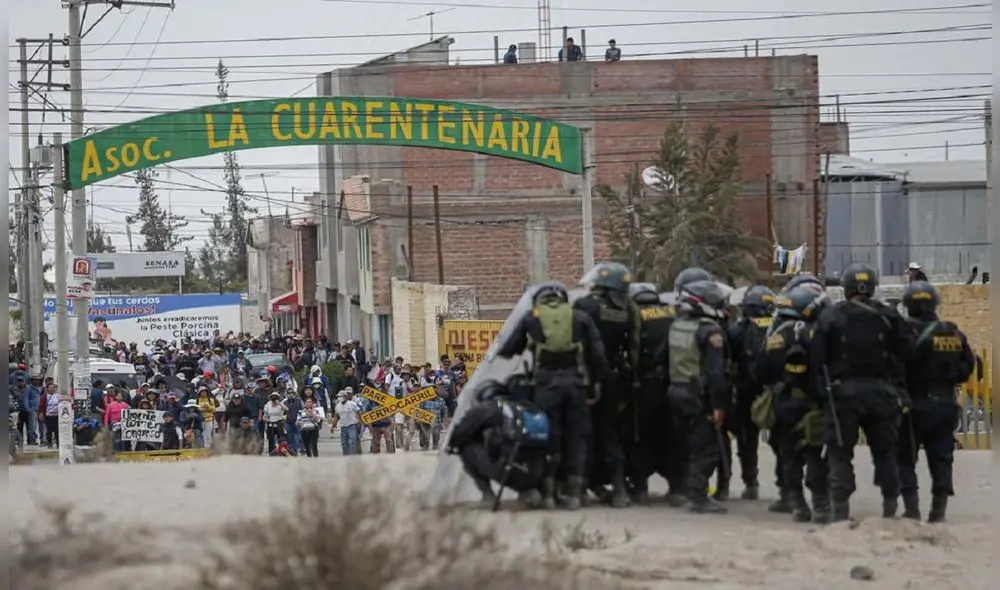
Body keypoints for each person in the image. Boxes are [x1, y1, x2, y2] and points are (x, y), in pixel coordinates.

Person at [809, 262, 913, 522]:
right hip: (881, 391)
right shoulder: (889, 316)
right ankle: (890, 507)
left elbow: (816, 359)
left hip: (843, 394)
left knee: (840, 452)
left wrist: (823, 392)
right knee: (885, 450)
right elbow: (906, 352)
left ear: (846, 288)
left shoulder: (831, 316)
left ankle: (840, 510)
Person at [495, 282, 610, 510]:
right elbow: (597, 355)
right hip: (576, 384)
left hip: (545, 387)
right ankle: (574, 495)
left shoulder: (531, 317)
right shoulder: (580, 316)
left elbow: (508, 350)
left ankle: (547, 494)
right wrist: (598, 382)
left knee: (548, 438)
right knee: (577, 437)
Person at [898, 281, 974, 523]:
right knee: (941, 457)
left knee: (905, 457)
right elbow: (968, 368)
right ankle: (938, 510)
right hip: (945, 404)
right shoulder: (953, 333)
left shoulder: (905, 333)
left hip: (913, 405)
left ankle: (911, 509)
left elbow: (894, 366)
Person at [666, 277, 732, 514]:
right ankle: (697, 496)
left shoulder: (676, 325)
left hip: (676, 391)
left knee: (684, 444)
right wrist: (719, 405)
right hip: (699, 396)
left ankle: (683, 489)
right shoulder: (710, 330)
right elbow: (715, 373)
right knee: (705, 448)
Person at [768, 284, 832, 523]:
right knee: (816, 453)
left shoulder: (775, 336)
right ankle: (821, 505)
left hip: (783, 404)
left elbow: (762, 370)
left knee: (788, 454)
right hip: (812, 404)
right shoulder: (816, 334)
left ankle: (797, 503)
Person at [574, 262, 636, 508]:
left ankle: (580, 490)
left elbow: (577, 344)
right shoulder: (628, 310)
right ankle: (619, 489)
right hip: (615, 377)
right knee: (611, 434)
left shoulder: (585, 306)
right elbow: (633, 346)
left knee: (582, 434)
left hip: (588, 377)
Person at [447, 379, 550, 510]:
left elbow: (459, 433)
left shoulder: (489, 407)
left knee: (466, 447)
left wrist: (454, 445)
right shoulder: (530, 408)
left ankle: (488, 496)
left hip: (508, 471)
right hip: (538, 473)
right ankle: (532, 492)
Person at [623, 282, 677, 505]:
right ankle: (677, 487)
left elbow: (631, 348)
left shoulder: (634, 315)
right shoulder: (672, 311)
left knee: (640, 435)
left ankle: (640, 488)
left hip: (644, 384)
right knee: (671, 435)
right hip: (671, 382)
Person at [721, 285, 776, 502]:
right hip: (773, 392)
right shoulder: (778, 327)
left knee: (747, 440)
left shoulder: (736, 331)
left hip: (745, 392)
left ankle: (751, 483)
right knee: (782, 441)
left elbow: (729, 360)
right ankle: (789, 489)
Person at [331, 390, 362, 455]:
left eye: (341, 396)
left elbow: (358, 412)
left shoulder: (352, 404)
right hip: (343, 427)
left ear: (345, 396)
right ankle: (346, 456)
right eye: (338, 397)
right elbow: (336, 416)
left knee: (352, 442)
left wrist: (359, 422)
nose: (339, 398)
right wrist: (333, 425)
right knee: (344, 444)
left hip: (352, 425)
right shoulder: (337, 406)